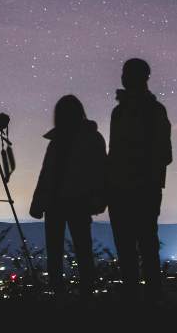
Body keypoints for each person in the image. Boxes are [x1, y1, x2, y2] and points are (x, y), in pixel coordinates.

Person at [29, 94, 107, 297]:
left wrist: (38, 202)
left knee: (75, 251)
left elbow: (100, 172)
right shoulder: (78, 139)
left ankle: (77, 295)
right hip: (65, 202)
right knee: (74, 251)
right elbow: (47, 173)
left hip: (74, 201)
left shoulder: (77, 139)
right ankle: (73, 295)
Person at [107, 57, 171, 301]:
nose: (123, 77)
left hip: (140, 189)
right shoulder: (121, 111)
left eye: (127, 73)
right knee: (135, 247)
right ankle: (138, 301)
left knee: (142, 246)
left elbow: (163, 153)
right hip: (129, 189)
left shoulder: (151, 111)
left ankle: (145, 302)